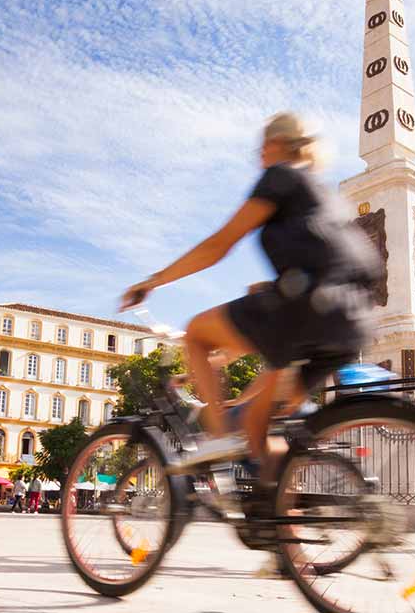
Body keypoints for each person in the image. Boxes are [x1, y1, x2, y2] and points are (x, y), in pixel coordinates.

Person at [120, 112, 378, 487]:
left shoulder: (281, 177)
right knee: (258, 431)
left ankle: (218, 438)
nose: (259, 156)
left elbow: (217, 245)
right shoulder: (326, 192)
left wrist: (153, 281)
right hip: (351, 322)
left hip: (308, 310)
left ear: (277, 145)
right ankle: (283, 529)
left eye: (262, 147)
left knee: (196, 332)